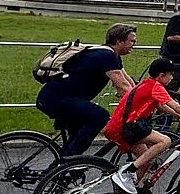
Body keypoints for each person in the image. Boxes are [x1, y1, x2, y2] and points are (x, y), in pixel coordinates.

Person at [103, 58, 180, 194]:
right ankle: (127, 172)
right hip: (126, 128)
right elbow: (175, 105)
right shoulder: (156, 87)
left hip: (122, 127)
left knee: (146, 160)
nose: (173, 77)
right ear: (161, 76)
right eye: (171, 74)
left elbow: (162, 106)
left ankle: (127, 193)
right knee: (165, 141)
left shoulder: (147, 84)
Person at [36, 24, 138, 157]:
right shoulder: (106, 56)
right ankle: (66, 164)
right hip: (57, 99)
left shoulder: (111, 55)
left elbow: (128, 81)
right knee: (100, 117)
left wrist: (143, 94)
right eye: (131, 41)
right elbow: (122, 85)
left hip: (58, 98)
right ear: (119, 41)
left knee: (78, 134)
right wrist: (138, 104)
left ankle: (61, 170)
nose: (134, 44)